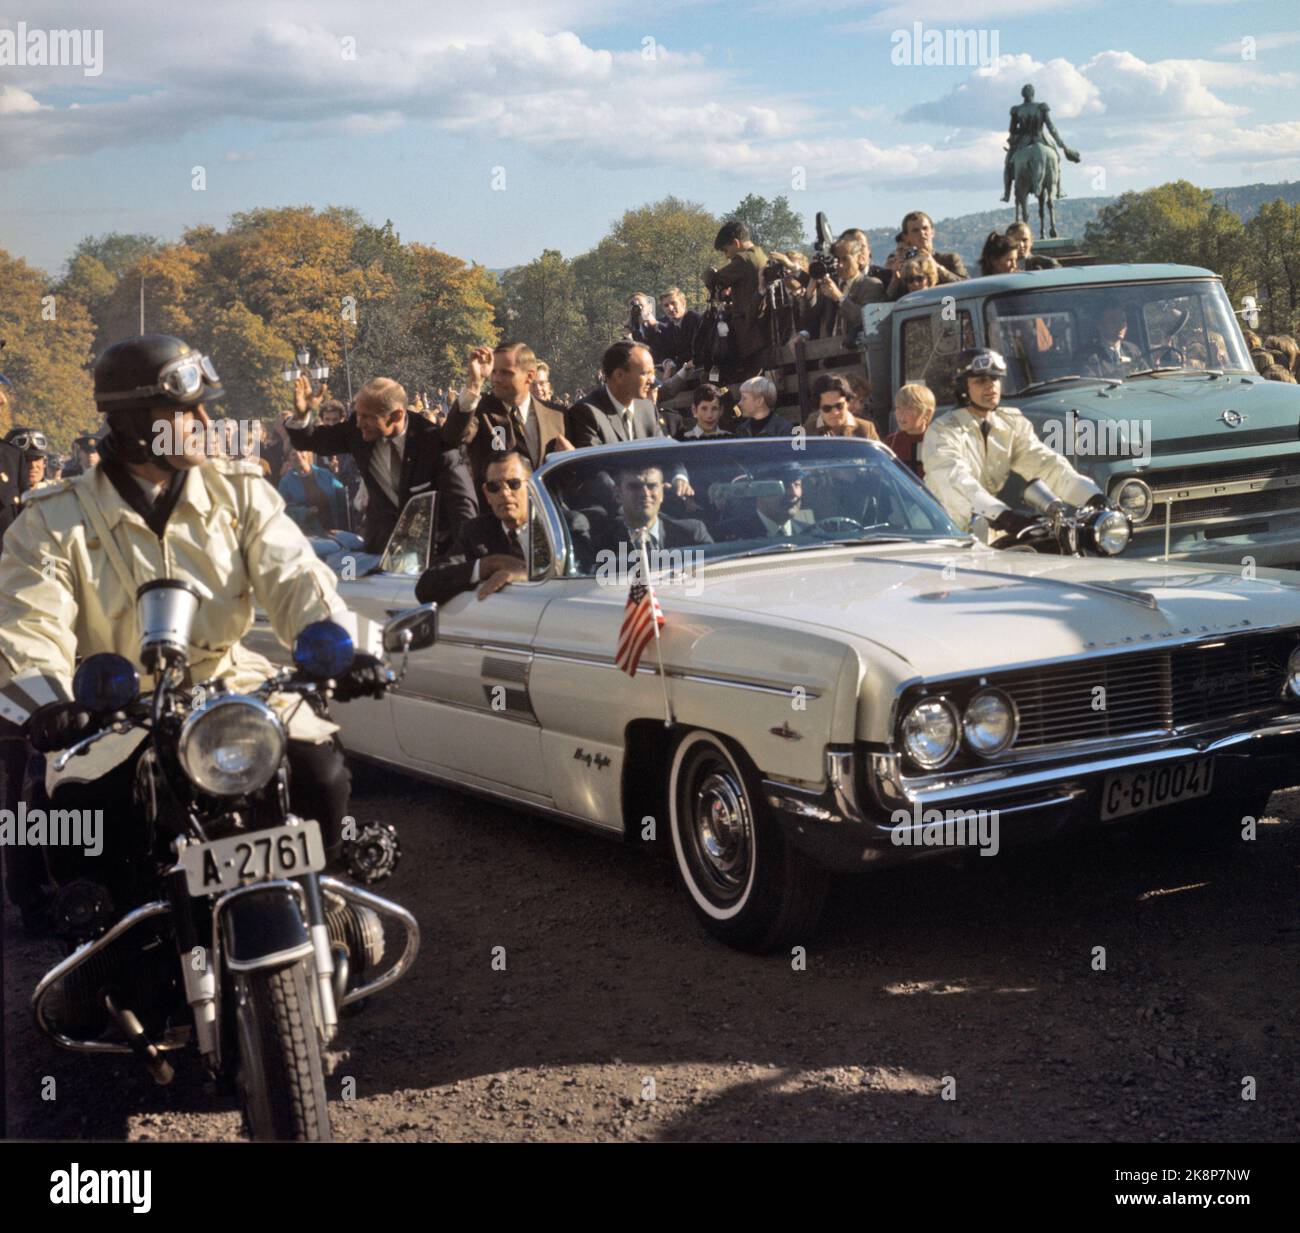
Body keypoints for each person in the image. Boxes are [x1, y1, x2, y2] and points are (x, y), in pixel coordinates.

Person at [0, 333, 387, 923]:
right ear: (130, 423)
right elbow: (30, 620)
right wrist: (49, 702)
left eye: (208, 408)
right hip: (114, 709)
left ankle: (321, 906)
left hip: (232, 690)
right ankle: (116, 947)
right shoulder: (53, 519)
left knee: (319, 770)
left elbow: (297, 578)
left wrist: (338, 644)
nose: (207, 422)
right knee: (82, 816)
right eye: (187, 412)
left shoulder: (241, 492)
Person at [921, 347, 1102, 542]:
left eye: (995, 379)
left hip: (984, 527)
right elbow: (954, 479)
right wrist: (1003, 515)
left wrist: (1092, 496)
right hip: (942, 532)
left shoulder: (1010, 424)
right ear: (964, 388)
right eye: (981, 381)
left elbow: (1046, 464)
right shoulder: (943, 430)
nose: (991, 387)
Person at [285, 374, 477, 555]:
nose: (359, 423)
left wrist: (460, 559)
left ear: (396, 415)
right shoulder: (356, 431)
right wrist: (302, 415)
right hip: (381, 550)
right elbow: (311, 441)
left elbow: (462, 507)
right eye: (357, 414)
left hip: (433, 552)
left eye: (368, 417)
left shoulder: (431, 441)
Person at [415, 451, 539, 605]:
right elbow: (427, 587)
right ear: (487, 494)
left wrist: (523, 572)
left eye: (514, 483)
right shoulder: (477, 533)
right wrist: (490, 564)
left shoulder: (563, 527)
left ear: (533, 487)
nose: (505, 493)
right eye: (494, 487)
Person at [445, 342, 571, 483]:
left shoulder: (557, 415)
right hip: (495, 504)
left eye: (506, 373)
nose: (496, 379)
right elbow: (451, 439)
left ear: (529, 376)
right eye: (494, 371)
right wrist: (475, 382)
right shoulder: (481, 412)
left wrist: (571, 459)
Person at [593, 462, 712, 559]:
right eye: (635, 486)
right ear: (618, 495)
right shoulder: (600, 545)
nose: (645, 494)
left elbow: (716, 576)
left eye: (652, 486)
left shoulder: (693, 534)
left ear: (662, 493)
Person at [702, 220, 769, 380]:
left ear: (736, 243)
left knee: (744, 383)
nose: (726, 256)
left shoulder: (743, 259)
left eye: (726, 250)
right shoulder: (761, 255)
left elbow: (714, 280)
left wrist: (709, 273)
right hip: (759, 331)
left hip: (748, 333)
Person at [813, 234, 886, 339]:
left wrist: (838, 297)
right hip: (827, 350)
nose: (840, 265)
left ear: (860, 258)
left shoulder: (872, 285)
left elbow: (864, 319)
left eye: (845, 259)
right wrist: (813, 279)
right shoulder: (828, 284)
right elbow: (810, 316)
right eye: (837, 259)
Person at [719, 462, 815, 540]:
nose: (794, 493)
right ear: (759, 490)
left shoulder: (812, 534)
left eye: (797, 484)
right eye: (783, 485)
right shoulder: (729, 536)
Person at [279, 447, 350, 535]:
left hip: (334, 532)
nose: (298, 455)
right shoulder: (285, 483)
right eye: (293, 454)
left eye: (301, 451)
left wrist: (336, 473)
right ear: (289, 460)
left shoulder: (325, 474)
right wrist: (305, 512)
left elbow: (343, 495)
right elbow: (284, 510)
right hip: (308, 536)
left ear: (308, 453)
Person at [883, 383, 936, 478]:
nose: (901, 415)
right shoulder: (891, 442)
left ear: (926, 413)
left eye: (909, 409)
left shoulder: (937, 440)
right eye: (898, 408)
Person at [899, 211, 967, 285]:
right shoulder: (905, 266)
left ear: (932, 232)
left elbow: (967, 285)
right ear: (906, 237)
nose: (922, 233)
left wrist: (938, 267)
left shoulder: (950, 259)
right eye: (915, 230)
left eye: (925, 228)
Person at [802, 374, 879, 439]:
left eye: (839, 406)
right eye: (827, 408)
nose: (835, 412)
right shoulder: (807, 432)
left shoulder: (866, 429)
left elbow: (877, 456)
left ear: (847, 402)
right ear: (819, 408)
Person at [1078, 306, 1144, 379]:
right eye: (1113, 321)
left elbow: (1146, 375)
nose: (1120, 325)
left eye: (1123, 320)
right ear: (1100, 326)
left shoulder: (1133, 349)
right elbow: (1088, 384)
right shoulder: (1086, 356)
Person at [4, 426, 48, 493]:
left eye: (37, 459)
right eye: (25, 459)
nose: (33, 465)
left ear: (44, 462)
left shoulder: (57, 497)